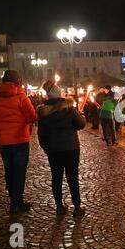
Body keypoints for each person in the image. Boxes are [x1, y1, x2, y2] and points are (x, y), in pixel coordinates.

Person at [0, 70, 37, 214]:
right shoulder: (21, 97)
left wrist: (0, 129)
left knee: (9, 169)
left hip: (4, 142)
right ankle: (16, 203)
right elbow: (32, 116)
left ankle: (12, 196)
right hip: (20, 140)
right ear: (17, 82)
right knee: (19, 172)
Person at [37, 80, 86, 217]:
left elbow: (41, 134)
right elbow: (79, 125)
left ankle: (59, 207)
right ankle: (77, 207)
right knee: (73, 178)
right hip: (71, 148)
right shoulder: (69, 109)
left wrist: (46, 147)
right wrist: (82, 116)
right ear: (59, 94)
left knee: (56, 177)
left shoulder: (43, 112)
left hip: (54, 150)